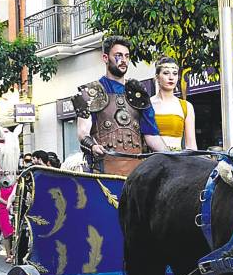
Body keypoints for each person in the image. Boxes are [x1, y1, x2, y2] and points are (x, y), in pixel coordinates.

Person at [73, 36, 167, 175]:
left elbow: (152, 136)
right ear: (105, 58)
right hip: (102, 173)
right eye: (118, 56)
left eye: (127, 56)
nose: (124, 60)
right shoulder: (90, 93)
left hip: (136, 175)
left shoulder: (138, 93)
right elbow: (82, 132)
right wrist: (92, 146)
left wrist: (174, 157)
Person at [151, 57, 197, 151]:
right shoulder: (148, 104)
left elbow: (191, 146)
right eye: (166, 73)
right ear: (157, 77)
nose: (171, 77)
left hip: (177, 161)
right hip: (152, 161)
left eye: (175, 74)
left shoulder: (186, 107)